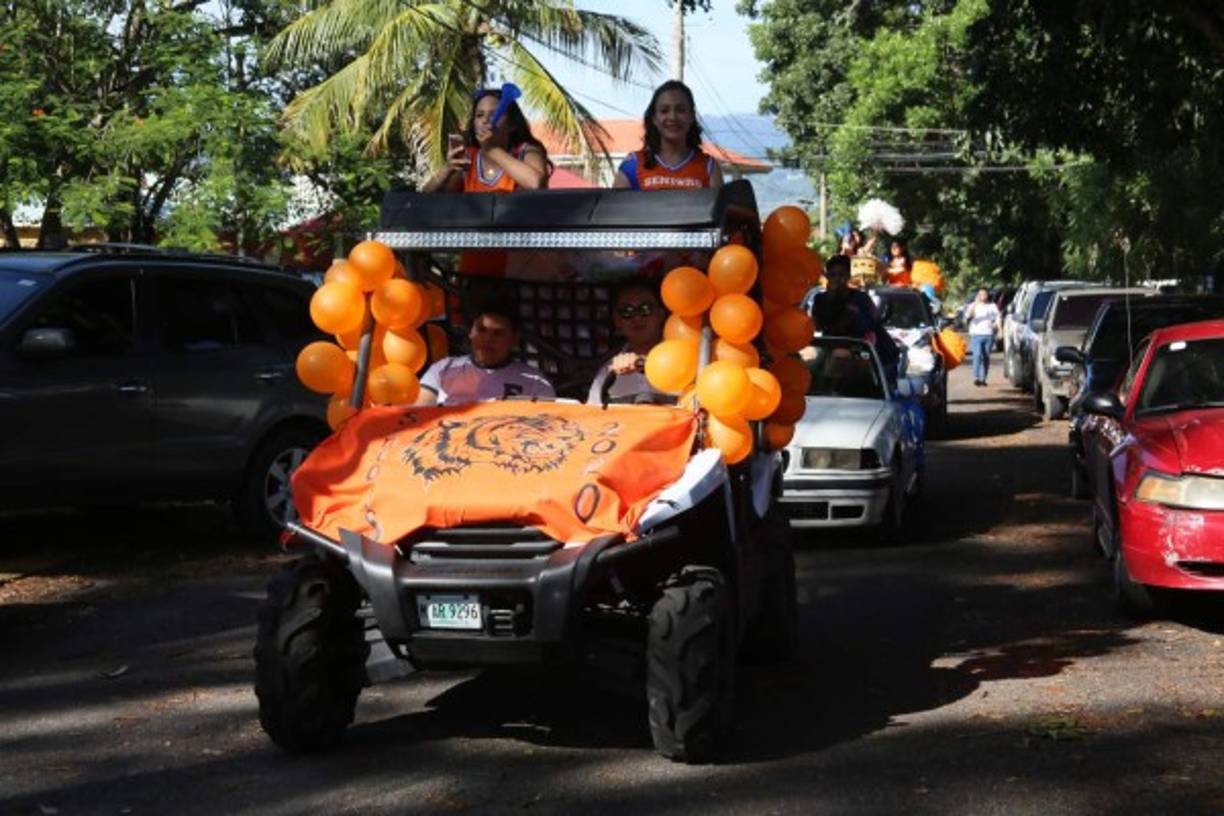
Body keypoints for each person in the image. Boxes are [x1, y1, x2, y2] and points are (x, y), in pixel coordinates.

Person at [416, 305, 554, 406]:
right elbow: (419, 414)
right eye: (482, 330)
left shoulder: (535, 382)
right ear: (471, 332)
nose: (487, 339)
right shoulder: (442, 369)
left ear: (514, 340)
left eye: (497, 333)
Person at [422, 85, 549, 194]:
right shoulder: (469, 157)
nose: (485, 120)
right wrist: (447, 168)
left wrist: (491, 149)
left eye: (494, 114)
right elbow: (429, 197)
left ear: (512, 125)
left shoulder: (527, 151)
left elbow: (535, 184)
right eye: (479, 115)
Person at [613, 80, 724, 191]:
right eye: (664, 111)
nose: (672, 117)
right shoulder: (633, 164)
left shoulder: (709, 167)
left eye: (680, 110)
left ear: (691, 116)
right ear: (654, 118)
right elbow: (616, 206)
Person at [809, 254, 900, 385]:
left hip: (871, 357)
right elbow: (818, 325)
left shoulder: (861, 299)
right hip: (835, 355)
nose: (837, 280)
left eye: (841, 275)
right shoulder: (820, 299)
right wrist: (830, 298)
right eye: (832, 275)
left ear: (848, 277)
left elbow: (870, 326)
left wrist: (852, 314)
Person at [587, 277, 670, 404]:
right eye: (627, 311)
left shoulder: (688, 362)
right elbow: (593, 417)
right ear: (617, 320)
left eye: (645, 309)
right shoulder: (607, 374)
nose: (637, 317)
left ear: (660, 314)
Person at [965, 287, 1001, 386]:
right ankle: (976, 376)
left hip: (988, 334)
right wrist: (975, 304)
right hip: (976, 334)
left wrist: (998, 329)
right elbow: (968, 316)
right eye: (980, 294)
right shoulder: (973, 305)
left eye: (984, 294)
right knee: (977, 355)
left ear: (987, 295)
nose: (982, 296)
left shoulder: (992, 306)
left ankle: (983, 378)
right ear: (977, 296)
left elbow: (998, 317)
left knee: (985, 356)